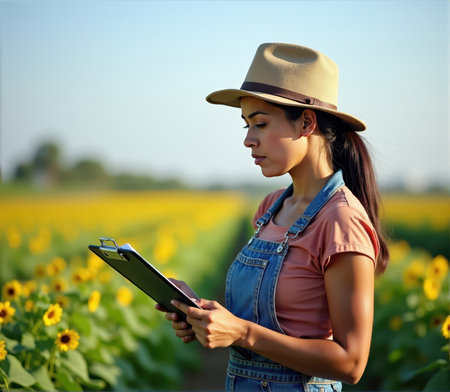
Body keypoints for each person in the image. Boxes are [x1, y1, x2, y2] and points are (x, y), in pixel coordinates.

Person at [156, 42, 389, 391]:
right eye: (246, 125)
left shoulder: (341, 221)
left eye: (260, 124)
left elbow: (352, 362)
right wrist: (203, 315)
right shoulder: (270, 208)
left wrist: (243, 332)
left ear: (306, 123)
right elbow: (263, 324)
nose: (249, 140)